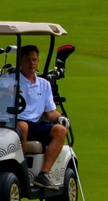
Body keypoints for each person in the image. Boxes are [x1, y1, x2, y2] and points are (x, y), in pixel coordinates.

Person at [15, 45, 69, 189]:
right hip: (14, 122)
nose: (32, 63)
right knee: (22, 126)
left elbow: (51, 112)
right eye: (28, 60)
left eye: (34, 60)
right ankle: (21, 170)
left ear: (38, 61)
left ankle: (43, 174)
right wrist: (6, 92)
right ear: (20, 62)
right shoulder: (11, 80)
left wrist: (61, 118)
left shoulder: (44, 84)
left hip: (35, 124)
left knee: (60, 130)